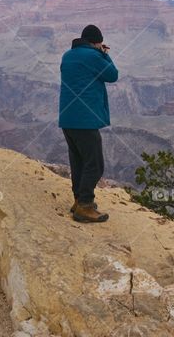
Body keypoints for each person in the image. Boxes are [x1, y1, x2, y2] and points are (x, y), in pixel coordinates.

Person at [58, 24, 119, 222]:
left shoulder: (67, 56)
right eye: (100, 44)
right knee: (95, 164)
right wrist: (104, 54)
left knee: (78, 162)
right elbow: (112, 75)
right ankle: (85, 205)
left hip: (68, 119)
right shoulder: (93, 56)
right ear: (96, 43)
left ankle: (78, 200)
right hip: (85, 120)